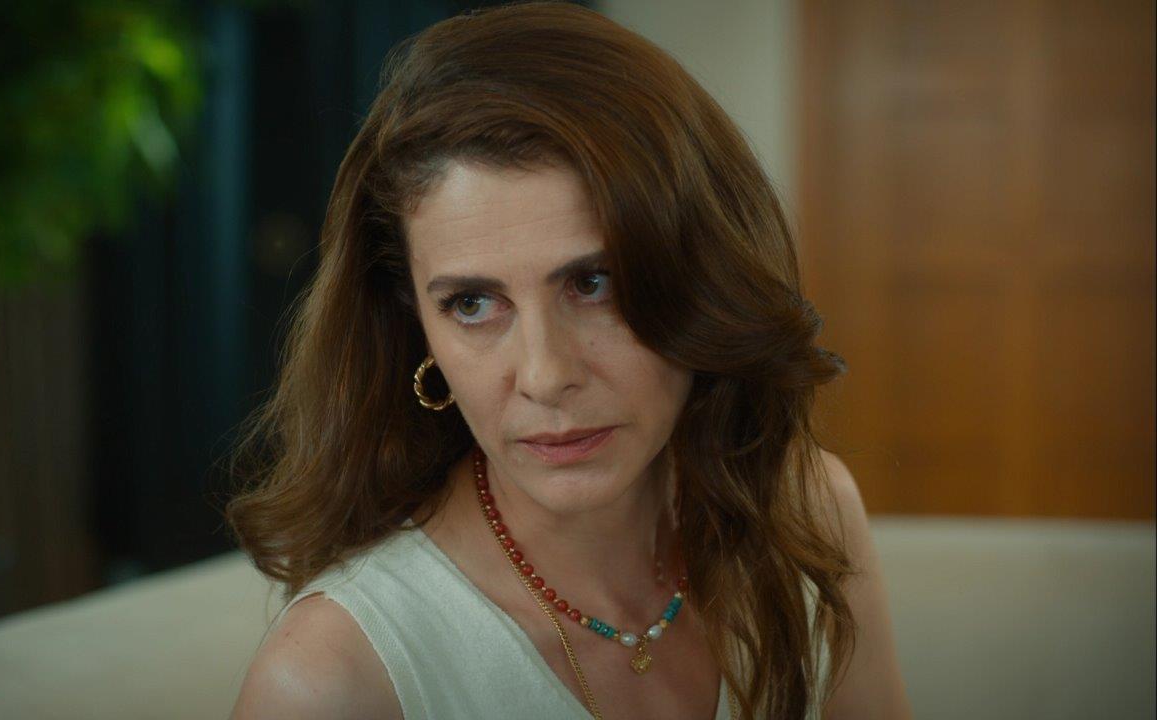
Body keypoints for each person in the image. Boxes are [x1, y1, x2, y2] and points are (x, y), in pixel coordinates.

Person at [226, 3, 910, 718]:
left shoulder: (805, 514)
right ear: (414, 326)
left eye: (593, 283)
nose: (546, 376)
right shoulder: (329, 678)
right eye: (472, 304)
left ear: (705, 281)